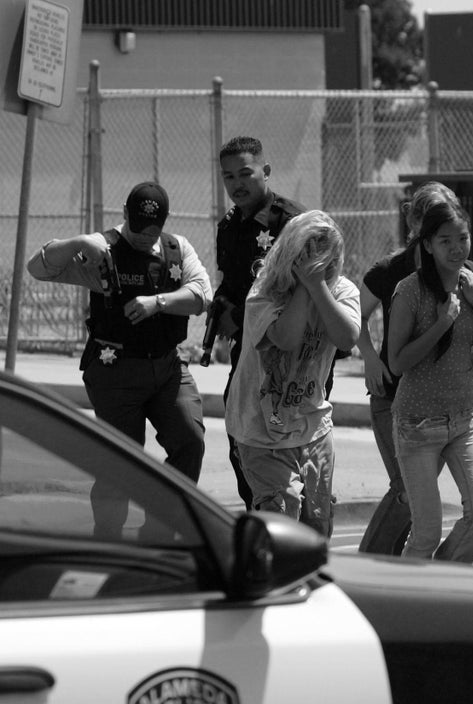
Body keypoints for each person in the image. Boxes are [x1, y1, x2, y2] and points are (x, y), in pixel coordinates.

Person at [27, 181, 212, 539]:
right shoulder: (102, 253)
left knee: (190, 441)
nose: (144, 238)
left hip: (167, 367)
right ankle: (109, 542)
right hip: (115, 372)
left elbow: (202, 295)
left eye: (152, 231)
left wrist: (157, 302)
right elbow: (39, 268)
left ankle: (158, 534)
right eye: (137, 229)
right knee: (121, 463)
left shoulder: (177, 249)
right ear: (124, 215)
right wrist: (78, 243)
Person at [356, 182, 473, 555]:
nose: (452, 244)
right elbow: (356, 316)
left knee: (454, 512)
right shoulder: (394, 274)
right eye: (430, 220)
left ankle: (425, 577)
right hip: (396, 398)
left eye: (458, 234)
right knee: (407, 494)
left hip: (454, 410)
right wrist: (368, 356)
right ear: (416, 224)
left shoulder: (469, 276)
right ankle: (375, 568)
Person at [224, 210, 360, 537]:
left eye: (327, 259)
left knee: (317, 523)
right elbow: (286, 339)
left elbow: (347, 338)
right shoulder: (265, 292)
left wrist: (318, 288)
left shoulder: (341, 291)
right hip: (260, 428)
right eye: (308, 257)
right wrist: (305, 287)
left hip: (312, 425)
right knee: (283, 518)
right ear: (290, 256)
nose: (319, 267)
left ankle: (311, 585)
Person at [388, 201, 473, 562]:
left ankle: (444, 581)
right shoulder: (409, 291)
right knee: (425, 533)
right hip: (417, 425)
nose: (456, 248)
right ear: (427, 245)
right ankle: (407, 604)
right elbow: (397, 362)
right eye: (445, 240)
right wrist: (440, 323)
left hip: (465, 420)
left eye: (462, 238)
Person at [214, 135, 307, 509]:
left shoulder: (292, 222)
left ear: (265, 171)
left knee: (293, 446)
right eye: (228, 176)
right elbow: (234, 284)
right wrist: (221, 309)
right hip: (248, 353)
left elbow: (305, 290)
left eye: (245, 173)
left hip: (295, 354)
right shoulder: (230, 225)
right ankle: (259, 512)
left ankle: (298, 525)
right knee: (240, 428)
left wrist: (240, 316)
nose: (237, 184)